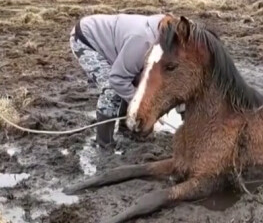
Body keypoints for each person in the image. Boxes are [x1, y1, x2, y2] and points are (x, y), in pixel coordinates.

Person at [70, 13, 182, 152]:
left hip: (119, 45)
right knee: (111, 90)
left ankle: (127, 129)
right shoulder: (143, 41)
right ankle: (104, 144)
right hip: (86, 38)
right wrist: (142, 105)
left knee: (137, 80)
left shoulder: (168, 34)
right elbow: (118, 79)